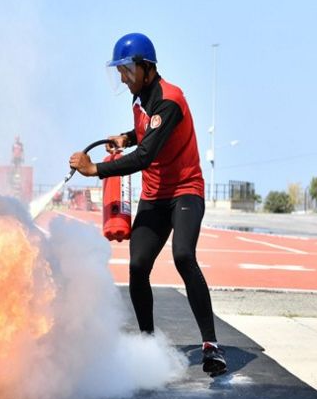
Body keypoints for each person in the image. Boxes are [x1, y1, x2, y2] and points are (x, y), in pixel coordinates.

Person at [69, 32, 227, 377]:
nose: (123, 77)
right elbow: (144, 134)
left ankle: (211, 347)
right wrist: (125, 136)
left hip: (185, 191)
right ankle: (147, 346)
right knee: (138, 266)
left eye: (127, 69)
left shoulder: (170, 100)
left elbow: (145, 155)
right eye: (120, 71)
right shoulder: (140, 100)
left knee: (184, 255)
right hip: (154, 196)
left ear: (146, 67)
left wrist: (95, 169)